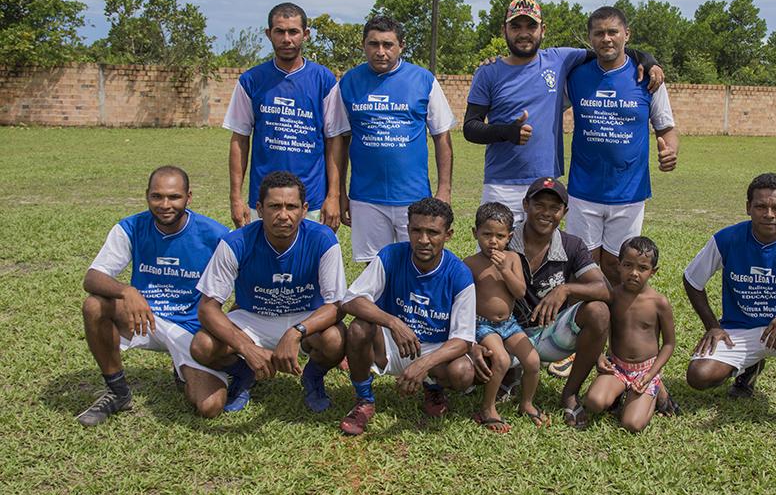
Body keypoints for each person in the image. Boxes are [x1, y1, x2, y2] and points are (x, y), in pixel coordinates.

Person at [463, 0, 665, 225]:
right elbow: (470, 128)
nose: (523, 33)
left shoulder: (559, 59)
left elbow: (609, 51)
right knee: (497, 255)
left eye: (531, 26)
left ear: (543, 29)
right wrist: (506, 132)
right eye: (515, 26)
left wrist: (647, 60)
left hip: (546, 183)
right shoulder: (488, 72)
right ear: (504, 30)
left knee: (540, 256)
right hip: (501, 185)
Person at [683, 173, 776, 433]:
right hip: (739, 330)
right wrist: (713, 325)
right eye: (760, 206)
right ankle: (749, 368)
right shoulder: (726, 239)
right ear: (748, 208)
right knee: (698, 377)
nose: (769, 214)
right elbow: (692, 280)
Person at [77, 166, 229, 426]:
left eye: (174, 197)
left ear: (188, 198)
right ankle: (117, 392)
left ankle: (184, 371)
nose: (165, 204)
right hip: (143, 319)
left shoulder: (215, 235)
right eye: (157, 197)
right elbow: (92, 277)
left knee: (209, 407)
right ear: (147, 196)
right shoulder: (131, 227)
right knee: (94, 306)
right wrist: (127, 291)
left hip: (191, 330)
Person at [191, 171, 347, 413]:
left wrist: (296, 332)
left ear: (304, 209)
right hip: (253, 317)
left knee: (335, 339)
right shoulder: (236, 242)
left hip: (304, 316)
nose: (283, 215)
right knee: (202, 345)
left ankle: (313, 377)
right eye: (274, 206)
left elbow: (336, 306)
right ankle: (244, 374)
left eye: (291, 207)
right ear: (260, 209)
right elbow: (207, 308)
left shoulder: (323, 239)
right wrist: (246, 348)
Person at [471, 176, 612, 429]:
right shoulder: (502, 240)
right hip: (500, 332)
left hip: (550, 334)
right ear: (525, 205)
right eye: (539, 205)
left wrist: (565, 288)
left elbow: (604, 289)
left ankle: (569, 393)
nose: (546, 213)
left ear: (564, 212)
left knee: (599, 312)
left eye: (554, 208)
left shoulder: (572, 245)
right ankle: (508, 378)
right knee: (469, 372)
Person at [339, 198, 476, 436]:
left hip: (433, 349)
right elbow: (351, 299)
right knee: (359, 329)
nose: (423, 240)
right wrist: (393, 322)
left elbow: (463, 339)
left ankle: (432, 386)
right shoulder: (391, 256)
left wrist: (423, 364)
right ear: (408, 230)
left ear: (448, 234)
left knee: (463, 371)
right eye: (416, 231)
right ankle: (364, 400)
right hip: (392, 343)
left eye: (432, 232)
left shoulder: (459, 274)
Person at [565, 6, 679, 287]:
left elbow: (666, 128)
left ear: (627, 34)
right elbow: (547, 105)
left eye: (613, 32)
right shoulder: (576, 76)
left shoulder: (648, 79)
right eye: (599, 33)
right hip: (583, 190)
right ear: (590, 39)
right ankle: (586, 329)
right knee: (583, 267)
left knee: (619, 270)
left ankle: (619, 328)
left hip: (629, 192)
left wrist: (670, 151)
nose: (606, 39)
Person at [329, 15, 456, 262]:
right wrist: (338, 194)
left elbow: (442, 137)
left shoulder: (423, 80)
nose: (381, 52)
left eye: (388, 45)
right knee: (374, 268)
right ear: (363, 45)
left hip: (414, 197)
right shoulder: (348, 83)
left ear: (401, 46)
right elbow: (338, 141)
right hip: (366, 197)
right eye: (373, 44)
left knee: (419, 263)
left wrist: (444, 190)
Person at [223, 2, 341, 229]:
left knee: (309, 261)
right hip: (264, 199)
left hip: (312, 198)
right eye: (280, 31)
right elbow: (240, 139)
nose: (287, 39)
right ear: (269, 34)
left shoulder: (323, 80)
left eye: (293, 31)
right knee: (263, 260)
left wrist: (333, 196)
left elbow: (334, 140)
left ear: (305, 35)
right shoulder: (251, 81)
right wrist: (236, 198)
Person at [464, 202, 547, 433]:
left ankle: (526, 402)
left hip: (509, 323)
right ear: (475, 233)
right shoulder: (470, 264)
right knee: (500, 359)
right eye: (486, 234)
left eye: (500, 236)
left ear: (509, 236)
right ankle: (488, 408)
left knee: (532, 361)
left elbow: (520, 292)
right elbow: (463, 300)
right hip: (483, 324)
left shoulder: (512, 259)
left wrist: (505, 271)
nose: (493, 241)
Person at [583, 236, 677, 433]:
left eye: (642, 268)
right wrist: (599, 356)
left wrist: (651, 375)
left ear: (653, 272)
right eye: (628, 265)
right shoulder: (612, 296)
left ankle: (657, 388)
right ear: (618, 265)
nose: (634, 273)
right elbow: (598, 330)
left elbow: (668, 344)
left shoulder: (659, 303)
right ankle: (618, 394)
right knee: (593, 402)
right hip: (616, 366)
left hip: (646, 370)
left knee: (632, 424)